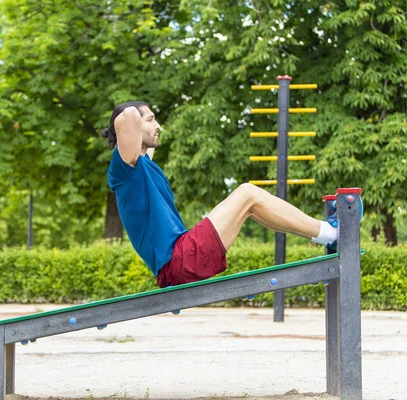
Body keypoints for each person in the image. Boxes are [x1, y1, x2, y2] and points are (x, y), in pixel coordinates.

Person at [102, 101, 355, 288]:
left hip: (180, 258)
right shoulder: (125, 166)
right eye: (152, 120)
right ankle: (331, 232)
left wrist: (146, 123)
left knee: (251, 205)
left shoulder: (144, 165)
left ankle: (325, 236)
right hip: (179, 261)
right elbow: (128, 116)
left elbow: (141, 135)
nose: (159, 126)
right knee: (247, 193)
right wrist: (137, 112)